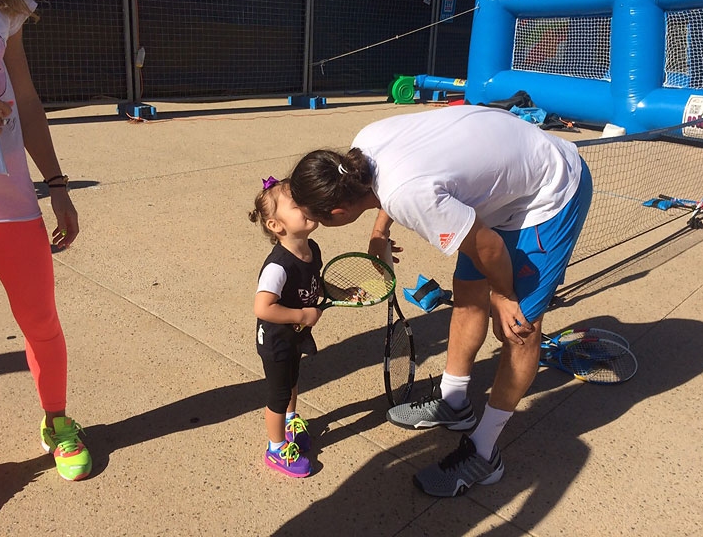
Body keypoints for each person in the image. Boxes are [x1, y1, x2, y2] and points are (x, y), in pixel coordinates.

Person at [289, 104, 592, 497]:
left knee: (519, 329)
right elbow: (394, 183)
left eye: (318, 220)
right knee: (467, 293)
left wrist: (503, 294)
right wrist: (380, 232)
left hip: (550, 193)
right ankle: (454, 402)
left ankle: (484, 453)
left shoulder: (406, 194)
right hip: (505, 187)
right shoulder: (363, 146)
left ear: (338, 211)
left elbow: (488, 246)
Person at [0, 0, 91, 520]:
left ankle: (57, 420)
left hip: (5, 191)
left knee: (40, 318)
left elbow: (24, 93)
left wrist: (57, 184)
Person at [249, 176, 324, 478]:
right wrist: (302, 316)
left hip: (295, 335)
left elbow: (313, 282)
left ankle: (291, 422)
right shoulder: (278, 266)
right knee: (279, 394)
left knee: (293, 380)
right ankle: (276, 448)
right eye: (297, 205)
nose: (307, 206)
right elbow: (263, 307)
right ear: (276, 225)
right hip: (276, 340)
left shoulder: (311, 249)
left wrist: (332, 291)